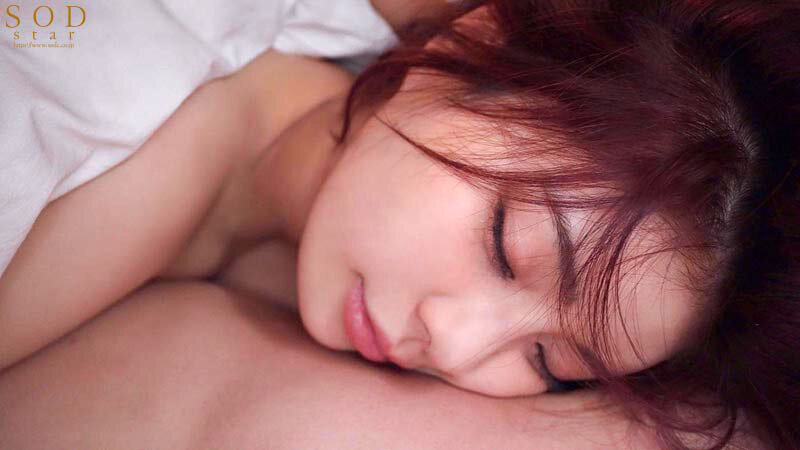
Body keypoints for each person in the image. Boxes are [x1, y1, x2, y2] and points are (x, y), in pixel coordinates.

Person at [1, 1, 798, 448]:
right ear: (472, 45)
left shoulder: (267, 275)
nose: (455, 345)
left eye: (551, 362)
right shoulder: (97, 107)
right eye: (504, 249)